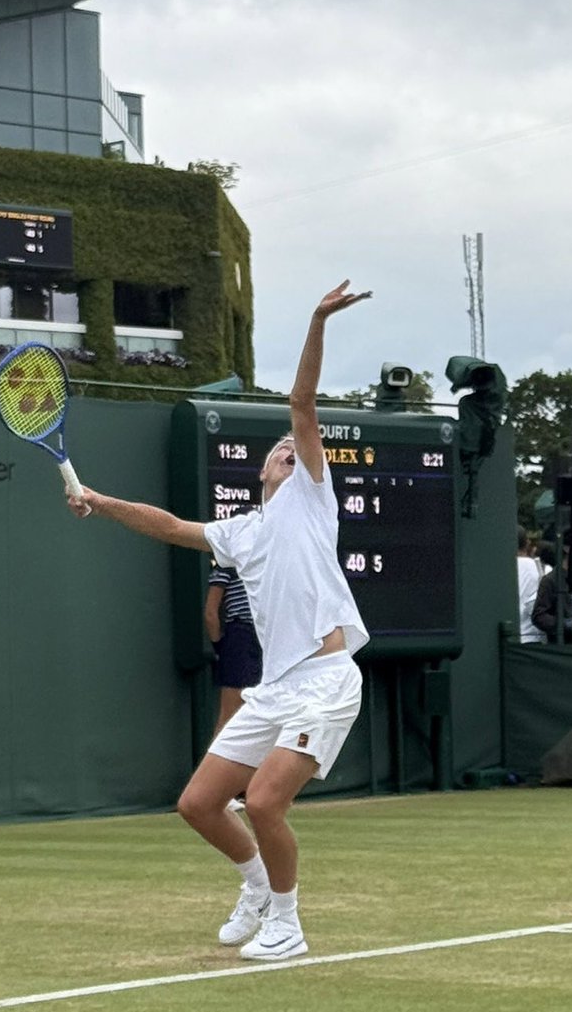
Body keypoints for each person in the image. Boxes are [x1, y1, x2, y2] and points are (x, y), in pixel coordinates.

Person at [66, 281, 372, 962]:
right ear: (263, 470)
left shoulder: (315, 502)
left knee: (263, 802)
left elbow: (301, 402)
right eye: (283, 453)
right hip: (275, 686)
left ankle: (288, 924)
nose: (294, 454)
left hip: (325, 680)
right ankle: (258, 885)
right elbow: (171, 525)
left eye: (300, 451)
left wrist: (317, 318)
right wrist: (97, 499)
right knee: (200, 803)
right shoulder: (242, 531)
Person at [205, 563, 263, 735]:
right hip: (240, 638)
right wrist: (220, 647)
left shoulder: (269, 564)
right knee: (230, 715)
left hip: (267, 638)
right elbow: (210, 612)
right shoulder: (227, 566)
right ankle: (214, 761)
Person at [516, 527, 543, 643]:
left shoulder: (497, 567)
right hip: (530, 636)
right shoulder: (537, 567)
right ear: (527, 543)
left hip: (504, 636)